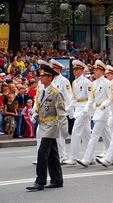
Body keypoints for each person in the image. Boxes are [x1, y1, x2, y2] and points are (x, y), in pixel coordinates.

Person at [26, 62, 68, 191]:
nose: (41, 78)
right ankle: (57, 180)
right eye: (41, 75)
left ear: (50, 78)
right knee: (52, 155)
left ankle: (40, 181)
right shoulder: (41, 92)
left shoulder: (56, 93)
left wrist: (63, 130)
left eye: (44, 76)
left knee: (42, 153)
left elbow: (61, 113)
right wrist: (35, 116)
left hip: (51, 126)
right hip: (43, 124)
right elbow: (39, 108)